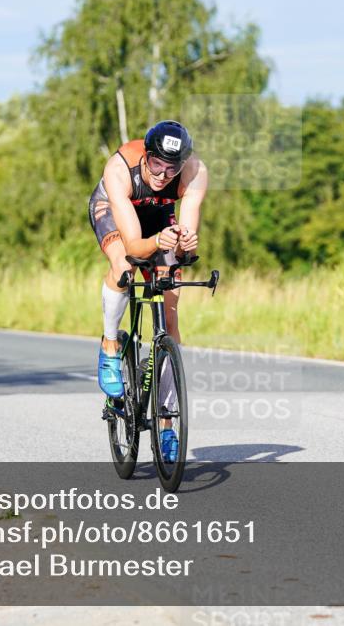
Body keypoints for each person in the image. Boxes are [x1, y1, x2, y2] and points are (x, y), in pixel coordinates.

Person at [88, 120, 208, 461]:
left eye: (172, 168)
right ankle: (110, 344)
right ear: (146, 155)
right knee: (124, 267)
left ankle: (167, 426)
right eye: (156, 164)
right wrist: (156, 242)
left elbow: (184, 242)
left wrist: (185, 244)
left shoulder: (196, 171)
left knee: (170, 311)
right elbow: (133, 247)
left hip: (158, 217)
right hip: (116, 212)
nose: (162, 175)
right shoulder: (120, 169)